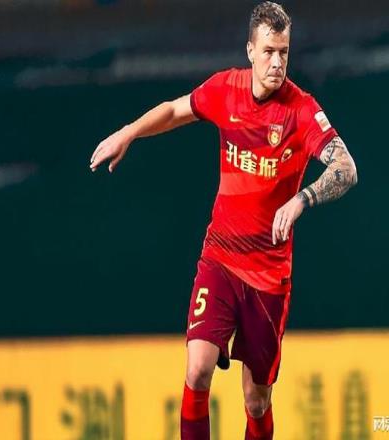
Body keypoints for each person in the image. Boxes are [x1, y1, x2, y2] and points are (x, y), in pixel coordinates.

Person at [89, 2, 357, 439]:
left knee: (256, 399)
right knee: (197, 369)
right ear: (250, 50)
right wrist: (129, 133)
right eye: (268, 51)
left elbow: (346, 167)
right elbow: (175, 110)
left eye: (284, 52)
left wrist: (302, 200)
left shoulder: (301, 110)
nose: (277, 62)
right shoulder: (225, 89)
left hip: (268, 276)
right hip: (220, 258)